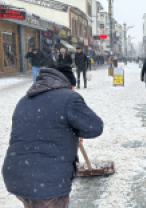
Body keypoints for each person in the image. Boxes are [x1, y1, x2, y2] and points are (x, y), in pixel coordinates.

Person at [2, 64, 103, 208]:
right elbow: (95, 127)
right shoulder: (69, 97)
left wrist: (69, 131)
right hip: (48, 181)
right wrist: (75, 131)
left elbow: (35, 130)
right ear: (69, 84)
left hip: (17, 176)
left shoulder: (24, 100)